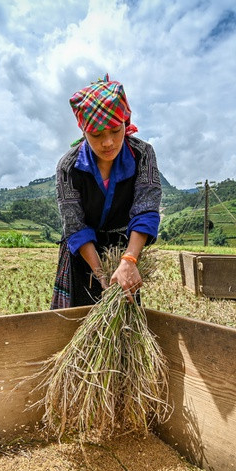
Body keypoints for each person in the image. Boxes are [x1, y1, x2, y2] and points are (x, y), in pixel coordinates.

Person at [50, 75, 162, 309]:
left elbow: (146, 210)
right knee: (79, 318)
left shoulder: (143, 155)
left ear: (125, 122)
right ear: (84, 132)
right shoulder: (68, 167)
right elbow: (75, 225)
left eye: (115, 130)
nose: (108, 142)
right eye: (97, 135)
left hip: (124, 250)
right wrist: (101, 273)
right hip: (83, 253)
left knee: (125, 316)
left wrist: (129, 260)